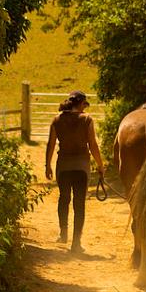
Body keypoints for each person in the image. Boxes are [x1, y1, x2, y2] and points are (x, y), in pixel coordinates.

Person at [45, 90, 104, 254]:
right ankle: (76, 243)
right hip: (81, 168)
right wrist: (100, 164)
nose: (85, 108)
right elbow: (92, 144)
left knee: (64, 198)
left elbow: (50, 144)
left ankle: (63, 233)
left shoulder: (57, 120)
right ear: (81, 104)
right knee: (79, 205)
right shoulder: (87, 120)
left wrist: (47, 165)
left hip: (63, 166)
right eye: (85, 104)